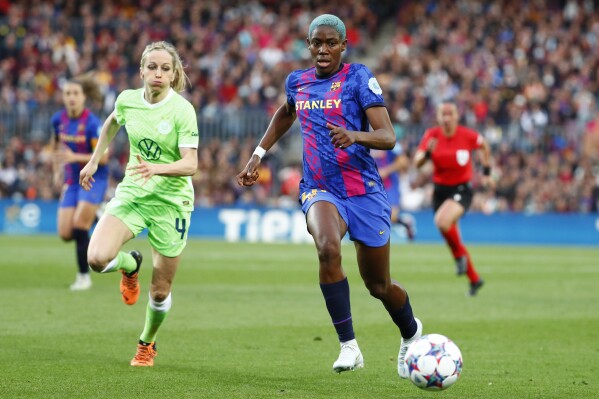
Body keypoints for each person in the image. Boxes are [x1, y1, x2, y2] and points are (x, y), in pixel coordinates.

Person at [236, 14, 422, 378]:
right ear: (309, 46)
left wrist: (356, 135)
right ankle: (349, 346)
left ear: (343, 46)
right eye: (316, 43)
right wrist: (258, 154)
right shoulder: (298, 82)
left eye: (330, 43)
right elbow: (285, 113)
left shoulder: (358, 77)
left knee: (378, 285)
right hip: (321, 188)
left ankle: (411, 332)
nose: (323, 49)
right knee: (327, 247)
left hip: (364, 192)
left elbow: (387, 137)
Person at [79, 41, 199, 367]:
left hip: (171, 203)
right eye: (152, 67)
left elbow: (191, 164)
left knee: (160, 291)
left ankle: (147, 343)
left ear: (174, 75)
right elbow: (111, 123)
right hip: (133, 194)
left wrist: (158, 168)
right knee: (96, 258)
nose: (158, 73)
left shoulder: (182, 110)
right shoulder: (127, 100)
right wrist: (94, 160)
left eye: (165, 69)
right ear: (142, 70)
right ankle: (130, 265)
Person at [413, 102, 494, 296]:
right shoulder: (432, 135)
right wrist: (427, 154)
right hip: (440, 191)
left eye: (450, 114)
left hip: (461, 190)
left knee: (442, 221)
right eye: (443, 114)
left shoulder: (468, 135)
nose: (447, 118)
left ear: (457, 116)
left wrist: (487, 172)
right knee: (450, 233)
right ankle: (474, 279)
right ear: (438, 117)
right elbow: (417, 162)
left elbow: (484, 146)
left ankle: (459, 259)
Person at [51, 74, 107, 291]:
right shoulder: (58, 120)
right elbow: (56, 145)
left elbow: (103, 157)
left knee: (79, 225)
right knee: (66, 233)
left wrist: (76, 158)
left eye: (75, 93)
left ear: (84, 97)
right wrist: (57, 171)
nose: (71, 97)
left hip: (94, 178)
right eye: (67, 93)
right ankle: (97, 215)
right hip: (71, 180)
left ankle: (83, 277)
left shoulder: (92, 124)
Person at [372, 141, 415, 241]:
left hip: (390, 184)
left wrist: (386, 170)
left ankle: (405, 223)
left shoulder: (392, 142)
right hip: (373, 185)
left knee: (393, 216)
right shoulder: (364, 137)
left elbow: (403, 161)